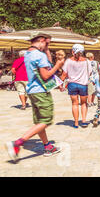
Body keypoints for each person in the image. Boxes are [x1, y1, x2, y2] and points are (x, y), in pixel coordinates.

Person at [5, 32, 65, 162]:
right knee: (46, 121)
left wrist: (47, 48)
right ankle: (17, 143)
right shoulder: (39, 55)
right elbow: (46, 75)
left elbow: (46, 62)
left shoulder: (28, 54)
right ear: (42, 40)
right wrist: (58, 65)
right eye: (46, 43)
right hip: (41, 92)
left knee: (39, 121)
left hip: (31, 91)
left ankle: (47, 146)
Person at [61, 44, 91, 128]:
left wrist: (60, 85)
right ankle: (84, 121)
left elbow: (64, 74)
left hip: (72, 84)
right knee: (84, 103)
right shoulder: (87, 61)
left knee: (75, 104)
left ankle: (76, 123)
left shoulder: (68, 61)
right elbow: (90, 73)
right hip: (83, 85)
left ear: (72, 51)